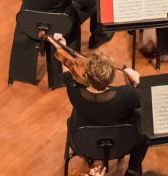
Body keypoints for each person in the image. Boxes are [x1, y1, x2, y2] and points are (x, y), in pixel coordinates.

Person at [60, 47, 146, 175]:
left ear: (87, 74)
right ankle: (133, 168)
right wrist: (138, 80)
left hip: (85, 143)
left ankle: (89, 157)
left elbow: (67, 68)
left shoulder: (74, 91)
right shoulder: (127, 94)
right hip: (122, 143)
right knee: (144, 125)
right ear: (111, 78)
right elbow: (148, 97)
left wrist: (62, 46)